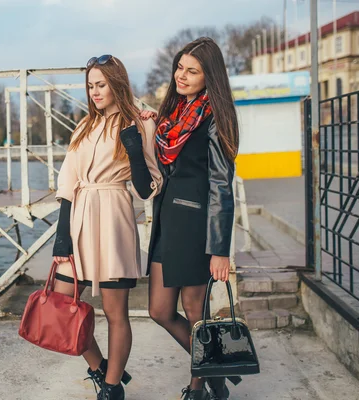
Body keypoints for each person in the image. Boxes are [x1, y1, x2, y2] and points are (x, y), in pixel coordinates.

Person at [52, 54, 162, 400]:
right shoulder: (84, 125)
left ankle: (112, 389)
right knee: (60, 299)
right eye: (90, 86)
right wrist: (61, 238)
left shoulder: (139, 124)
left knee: (116, 311)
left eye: (100, 84)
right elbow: (68, 180)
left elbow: (148, 187)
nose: (95, 92)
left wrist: (133, 148)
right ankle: (100, 367)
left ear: (116, 84)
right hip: (80, 215)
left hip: (113, 215)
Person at [140, 37, 240, 400]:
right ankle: (215, 373)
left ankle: (199, 387)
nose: (181, 76)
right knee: (159, 309)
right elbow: (162, 164)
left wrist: (220, 249)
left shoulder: (215, 117)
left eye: (192, 71)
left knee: (195, 309)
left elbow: (220, 185)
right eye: (180, 67)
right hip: (168, 223)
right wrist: (153, 126)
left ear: (208, 76)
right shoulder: (175, 115)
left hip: (198, 226)